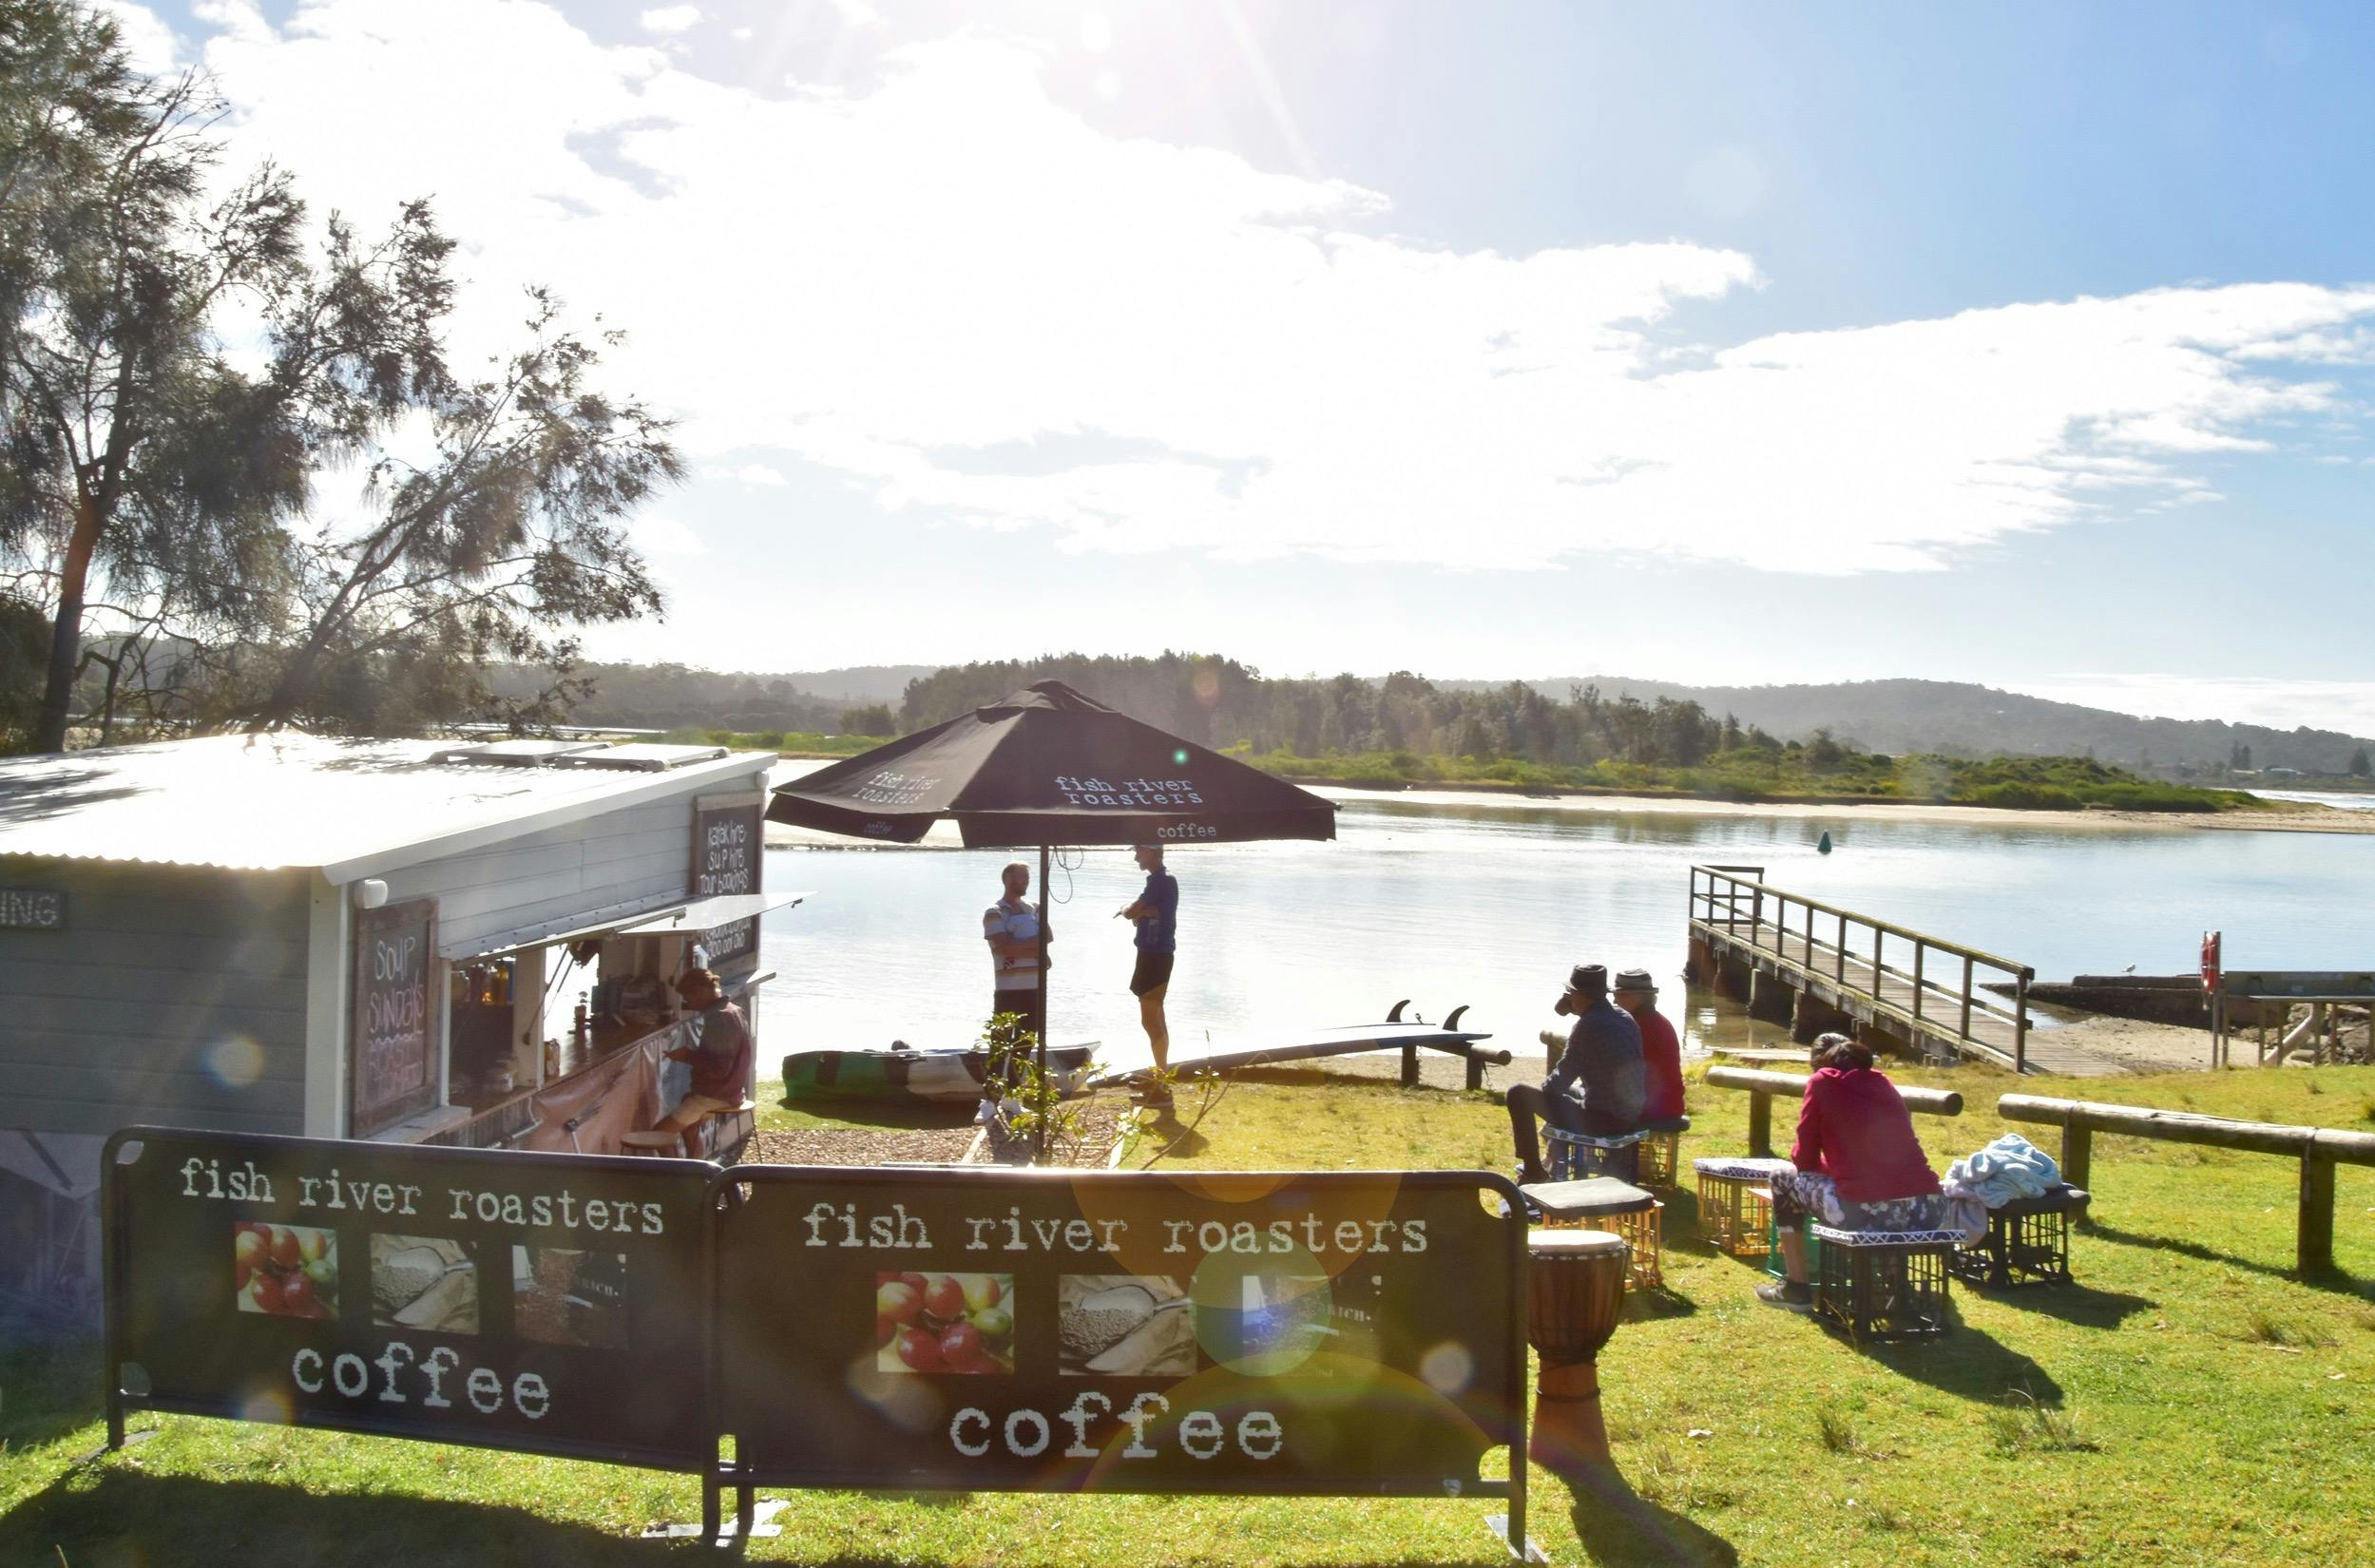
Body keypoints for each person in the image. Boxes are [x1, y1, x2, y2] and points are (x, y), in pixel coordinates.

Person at [1757, 1033, 1946, 1310]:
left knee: (1781, 1177)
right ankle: (1897, 1285)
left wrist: (1834, 1170)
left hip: (1865, 1214)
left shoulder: (1822, 1081)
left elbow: (1804, 1160)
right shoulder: (1883, 1082)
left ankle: (1796, 1286)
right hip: (1929, 1209)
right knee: (1889, 1198)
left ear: (1819, 1064)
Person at [1506, 963, 1646, 1185]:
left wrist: (1542, 1095)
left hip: (1603, 1121)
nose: (1569, 997)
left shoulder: (1588, 1026)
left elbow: (1556, 1085)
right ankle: (1552, 1157)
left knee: (1518, 1094)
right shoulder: (1623, 1017)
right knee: (1575, 1091)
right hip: (1631, 1115)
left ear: (1580, 995)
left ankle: (1533, 1170)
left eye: (1571, 993)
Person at [654, 969, 753, 1158]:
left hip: (716, 1094)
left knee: (660, 1133)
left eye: (689, 997)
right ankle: (696, 1172)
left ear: (701, 991)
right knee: (689, 1127)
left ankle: (678, 1178)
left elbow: (719, 1068)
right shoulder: (733, 1010)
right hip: (732, 1090)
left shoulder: (719, 1017)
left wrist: (687, 1056)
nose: (689, 1003)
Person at [1116, 842, 1178, 1105]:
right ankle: (1160, 1079)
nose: (1135, 857)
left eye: (1139, 851)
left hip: (1155, 956)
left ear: (1152, 851)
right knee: (1154, 1017)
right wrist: (1143, 911)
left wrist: (1134, 910)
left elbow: (1130, 911)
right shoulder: (1159, 882)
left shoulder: (1161, 882)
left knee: (1151, 1019)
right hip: (1153, 955)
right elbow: (1140, 912)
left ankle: (1162, 1087)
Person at [983, 861, 1045, 1047]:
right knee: (1000, 1045)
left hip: (1034, 988)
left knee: (1025, 1045)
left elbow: (1048, 937)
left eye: (1027, 877)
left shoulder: (1035, 907)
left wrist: (1017, 943)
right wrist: (1036, 947)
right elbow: (1004, 948)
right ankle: (994, 1077)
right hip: (1008, 990)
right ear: (1009, 879)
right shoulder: (994, 911)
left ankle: (1018, 1078)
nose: (1027, 881)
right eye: (1022, 876)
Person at [1612, 968, 1687, 1123]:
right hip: (1668, 1103)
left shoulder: (1638, 1027)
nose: (1615, 1001)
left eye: (1618, 995)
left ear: (1636, 997)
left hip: (1653, 1108)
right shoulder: (1657, 1021)